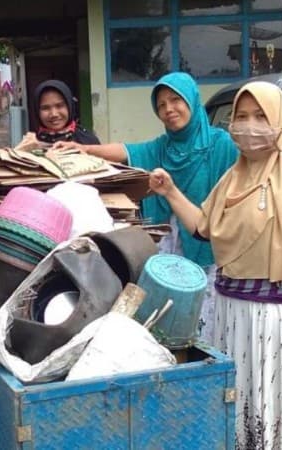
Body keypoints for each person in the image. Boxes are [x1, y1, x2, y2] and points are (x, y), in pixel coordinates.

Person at [147, 81, 282, 449]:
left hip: (279, 317)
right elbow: (202, 228)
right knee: (241, 404)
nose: (249, 126)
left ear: (279, 121)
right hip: (231, 313)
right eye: (241, 117)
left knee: (278, 405)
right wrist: (171, 192)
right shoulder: (233, 177)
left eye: (260, 116)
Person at [51, 72, 239, 343]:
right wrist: (84, 150)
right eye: (161, 105)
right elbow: (126, 150)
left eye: (176, 100)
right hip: (169, 242)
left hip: (205, 244)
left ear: (192, 101)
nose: (168, 109)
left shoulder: (220, 145)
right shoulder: (162, 147)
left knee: (201, 314)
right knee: (163, 311)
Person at [16, 79, 100, 150]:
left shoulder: (87, 141)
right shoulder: (30, 144)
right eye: (45, 108)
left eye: (59, 106)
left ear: (70, 106)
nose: (53, 114)